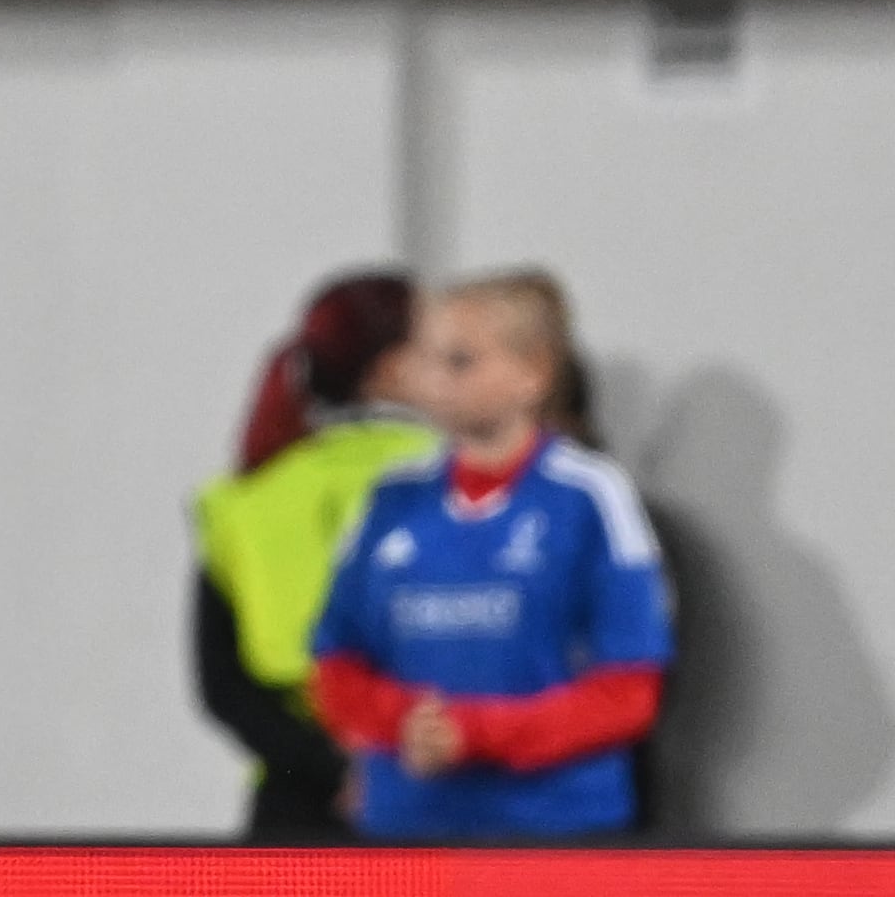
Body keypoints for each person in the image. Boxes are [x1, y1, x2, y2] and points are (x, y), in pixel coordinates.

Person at [308, 273, 672, 842]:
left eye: (460, 362)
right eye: (425, 359)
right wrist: (403, 725)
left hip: (556, 828)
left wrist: (474, 734)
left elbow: (629, 691)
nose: (435, 380)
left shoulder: (591, 496)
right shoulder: (390, 498)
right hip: (407, 827)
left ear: (533, 374)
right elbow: (334, 666)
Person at [194, 270, 435, 840]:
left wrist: (329, 770)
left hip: (291, 815)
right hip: (440, 799)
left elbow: (222, 688)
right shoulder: (466, 483)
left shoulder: (249, 495)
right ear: (394, 368)